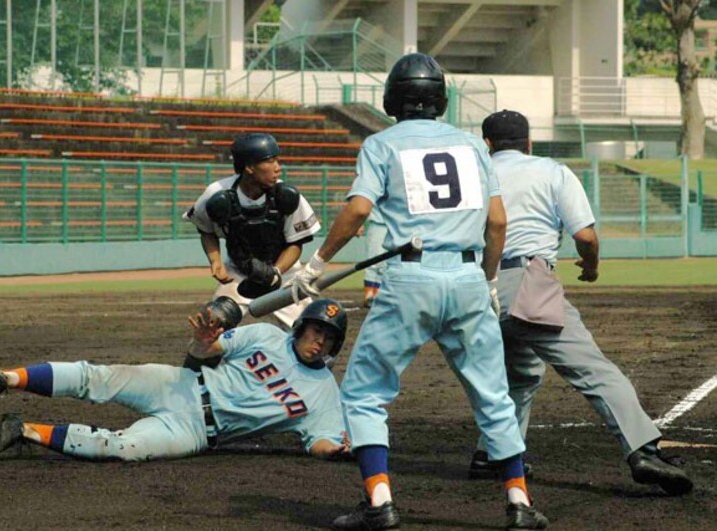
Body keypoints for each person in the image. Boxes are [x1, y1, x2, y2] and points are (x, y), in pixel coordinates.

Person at [291, 53, 548, 530]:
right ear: (441, 100)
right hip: (469, 279)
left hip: (411, 278)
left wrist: (318, 262)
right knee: (494, 394)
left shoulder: (381, 144)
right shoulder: (473, 146)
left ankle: (379, 503)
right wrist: (489, 280)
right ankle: (519, 504)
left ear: (392, 99)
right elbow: (496, 222)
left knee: (365, 394)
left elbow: (358, 211)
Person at [467, 109, 693, 496]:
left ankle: (493, 454)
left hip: (473, 284)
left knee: (518, 373)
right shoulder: (551, 171)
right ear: (528, 143)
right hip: (527, 281)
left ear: (487, 144)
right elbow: (585, 237)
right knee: (594, 370)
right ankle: (642, 448)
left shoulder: (474, 175)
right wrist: (591, 268)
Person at [0, 297, 351, 462]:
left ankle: (25, 430)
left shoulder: (323, 395)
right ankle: (7, 378)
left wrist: (335, 452)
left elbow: (318, 442)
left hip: (196, 433)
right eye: (315, 332)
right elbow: (205, 354)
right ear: (300, 328)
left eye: (328, 338)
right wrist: (202, 342)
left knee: (124, 448)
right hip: (181, 384)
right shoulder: (266, 336)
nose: (319, 343)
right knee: (99, 378)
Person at [185, 132, 321, 328]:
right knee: (212, 323)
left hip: (284, 275)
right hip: (239, 273)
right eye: (269, 161)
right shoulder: (217, 194)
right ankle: (207, 359)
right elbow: (205, 229)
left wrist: (275, 272)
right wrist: (215, 261)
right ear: (249, 167)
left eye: (277, 160)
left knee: (305, 331)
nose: (278, 168)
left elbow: (295, 244)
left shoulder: (287, 196)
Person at [362, 205, 387, 308]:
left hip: (394, 226)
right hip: (378, 224)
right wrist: (359, 224)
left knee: (385, 265)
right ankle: (368, 296)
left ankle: (377, 296)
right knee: (373, 262)